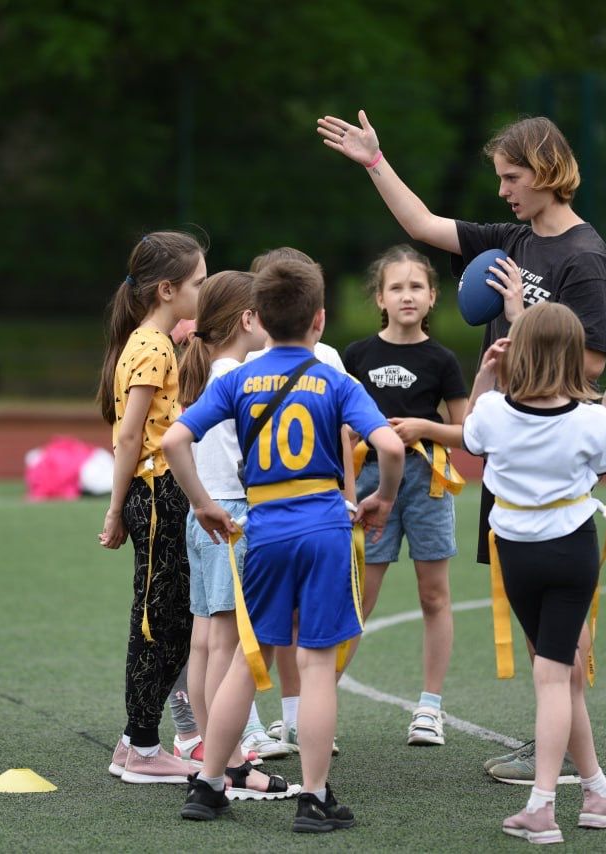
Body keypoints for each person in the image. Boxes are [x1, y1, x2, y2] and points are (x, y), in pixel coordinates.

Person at [317, 110, 606, 783]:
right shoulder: (513, 239)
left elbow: (590, 363)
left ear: (546, 171)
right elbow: (423, 225)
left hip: (548, 450)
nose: (503, 191)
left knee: (555, 609)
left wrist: (522, 324)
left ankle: (568, 746)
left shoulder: (585, 259)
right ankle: (558, 740)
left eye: (512, 178)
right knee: (532, 605)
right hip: (509, 449)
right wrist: (374, 162)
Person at [162, 258, 405, 832]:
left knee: (250, 659)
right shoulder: (335, 379)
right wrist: (383, 499)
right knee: (316, 665)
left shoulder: (237, 379)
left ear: (260, 319)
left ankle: (210, 783)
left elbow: (175, 440)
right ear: (319, 318)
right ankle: (314, 798)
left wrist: (202, 502)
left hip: (264, 529)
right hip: (323, 529)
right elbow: (391, 447)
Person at [403, 302, 606, 842]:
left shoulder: (492, 412)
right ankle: (543, 806)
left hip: (516, 556)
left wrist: (485, 374)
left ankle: (598, 793)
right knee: (557, 675)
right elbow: (599, 467)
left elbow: (471, 433)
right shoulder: (591, 420)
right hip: (570, 553)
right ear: (573, 357)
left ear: (519, 352)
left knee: (563, 672)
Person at [172, 269, 295, 797]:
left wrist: (200, 501)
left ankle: (215, 755)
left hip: (203, 515)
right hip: (232, 516)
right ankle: (229, 765)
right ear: (248, 319)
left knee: (205, 641)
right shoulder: (238, 378)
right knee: (226, 645)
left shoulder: (208, 372)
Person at [341, 244, 469, 747]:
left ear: (433, 296)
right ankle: (316, 705)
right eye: (396, 287)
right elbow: (339, 425)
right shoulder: (356, 356)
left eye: (417, 286)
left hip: (426, 482)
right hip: (370, 482)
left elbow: (467, 432)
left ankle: (430, 708)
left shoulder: (442, 360)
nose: (407, 295)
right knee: (358, 597)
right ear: (380, 298)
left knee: (433, 595)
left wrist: (423, 427)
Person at [97, 230, 207, 785]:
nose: (204, 292)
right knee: (157, 623)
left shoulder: (154, 342)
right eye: (198, 283)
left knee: (172, 620)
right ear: (167, 290)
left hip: (163, 493)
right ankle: (141, 746)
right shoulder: (153, 346)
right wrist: (116, 508)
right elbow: (129, 436)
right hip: (158, 493)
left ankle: (134, 741)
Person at [243, 246, 354, 759]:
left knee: (260, 636)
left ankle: (220, 770)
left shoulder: (248, 368)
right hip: (315, 515)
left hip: (267, 516)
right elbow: (373, 438)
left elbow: (182, 438)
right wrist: (359, 499)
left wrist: (205, 501)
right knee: (308, 643)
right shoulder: (315, 364)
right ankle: (306, 771)